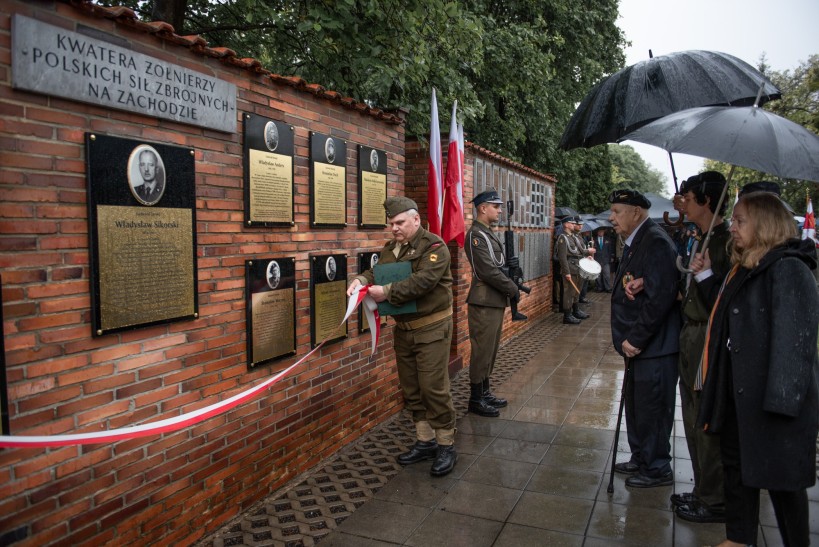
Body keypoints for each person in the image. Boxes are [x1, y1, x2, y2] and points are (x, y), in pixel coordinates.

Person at [695, 191, 818, 547]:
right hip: (739, 397)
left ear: (763, 225)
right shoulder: (745, 266)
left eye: (739, 221)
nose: (731, 227)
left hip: (774, 406)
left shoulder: (790, 269)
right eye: (732, 220)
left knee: (783, 485)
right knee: (738, 473)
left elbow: (795, 345)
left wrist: (780, 409)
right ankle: (739, 538)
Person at [346, 196, 457, 477]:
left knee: (433, 388)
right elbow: (378, 271)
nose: (394, 228)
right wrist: (360, 279)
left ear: (416, 220)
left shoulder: (434, 246)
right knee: (412, 389)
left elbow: (422, 281)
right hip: (405, 330)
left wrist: (387, 292)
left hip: (431, 328)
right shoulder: (390, 248)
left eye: (399, 222)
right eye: (391, 224)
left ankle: (446, 444)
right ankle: (425, 441)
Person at [608, 189, 681, 488]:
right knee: (637, 406)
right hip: (642, 347)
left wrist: (635, 339)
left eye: (617, 211)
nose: (612, 217)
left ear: (636, 212)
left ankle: (657, 466)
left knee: (652, 408)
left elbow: (661, 299)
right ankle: (641, 457)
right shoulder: (638, 240)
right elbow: (652, 283)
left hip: (654, 346)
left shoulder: (656, 241)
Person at [670, 172, 730, 523]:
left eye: (689, 198)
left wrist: (706, 277)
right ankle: (703, 488)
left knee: (705, 418)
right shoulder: (703, 238)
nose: (683, 203)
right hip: (691, 331)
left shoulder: (723, 242)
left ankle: (715, 498)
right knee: (691, 415)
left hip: (708, 334)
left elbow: (722, 300)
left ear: (707, 201)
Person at [464, 189, 520, 418]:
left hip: (494, 300)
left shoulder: (488, 232)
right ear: (482, 208)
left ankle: (485, 392)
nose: (499, 210)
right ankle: (475, 399)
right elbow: (487, 271)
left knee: (491, 350)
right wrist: (512, 288)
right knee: (481, 351)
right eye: (495, 206)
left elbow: (499, 265)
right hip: (484, 301)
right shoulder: (476, 235)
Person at [555, 216, 594, 324]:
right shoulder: (563, 238)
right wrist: (566, 272)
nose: (574, 225)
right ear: (566, 224)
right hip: (570, 269)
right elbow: (562, 257)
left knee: (576, 291)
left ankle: (575, 311)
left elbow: (580, 251)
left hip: (577, 267)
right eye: (571, 223)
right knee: (569, 292)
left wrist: (587, 255)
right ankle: (567, 315)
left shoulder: (573, 237)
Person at [592, 228, 614, 292]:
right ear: (597, 232)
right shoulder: (593, 240)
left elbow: (610, 249)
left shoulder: (608, 240)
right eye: (600, 232)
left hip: (606, 260)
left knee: (607, 275)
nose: (601, 233)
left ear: (604, 232)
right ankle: (599, 288)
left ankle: (608, 288)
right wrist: (592, 244)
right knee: (598, 275)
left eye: (602, 232)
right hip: (596, 260)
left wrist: (611, 257)